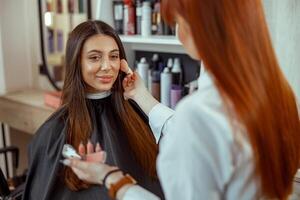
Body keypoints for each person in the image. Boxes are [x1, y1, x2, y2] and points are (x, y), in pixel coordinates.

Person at [63, 0, 300, 200]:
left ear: (197, 27)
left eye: (177, 21)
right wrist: (141, 96)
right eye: (94, 57)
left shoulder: (200, 113)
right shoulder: (279, 93)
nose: (177, 30)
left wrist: (112, 179)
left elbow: (197, 131)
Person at [22, 20, 164, 200]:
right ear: (76, 62)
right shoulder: (55, 132)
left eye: (113, 56)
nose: (107, 66)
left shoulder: (139, 115)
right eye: (95, 57)